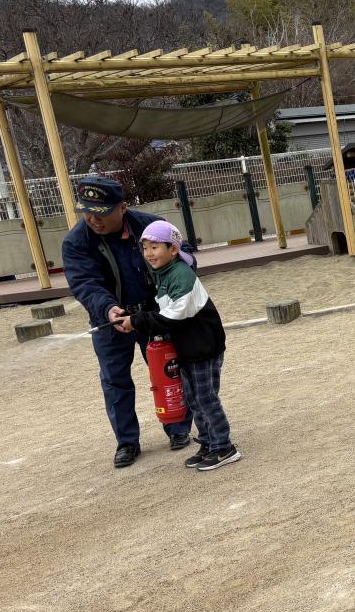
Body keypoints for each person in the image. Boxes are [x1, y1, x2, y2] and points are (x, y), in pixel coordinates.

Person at [61, 174, 194, 469]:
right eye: (86, 212)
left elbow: (183, 257)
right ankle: (127, 442)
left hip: (151, 314)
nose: (92, 220)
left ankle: (178, 426)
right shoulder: (75, 242)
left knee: (168, 370)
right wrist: (108, 309)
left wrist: (171, 296)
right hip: (110, 320)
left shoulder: (151, 226)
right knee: (114, 380)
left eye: (101, 213)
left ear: (122, 208)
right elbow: (84, 283)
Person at [115, 221, 238, 471]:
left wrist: (136, 322)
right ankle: (208, 442)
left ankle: (224, 447)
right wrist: (134, 316)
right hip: (187, 347)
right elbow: (162, 308)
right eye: (145, 248)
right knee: (192, 398)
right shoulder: (163, 272)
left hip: (204, 347)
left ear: (173, 249)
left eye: (155, 247)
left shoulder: (181, 274)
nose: (149, 253)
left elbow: (174, 316)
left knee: (206, 397)